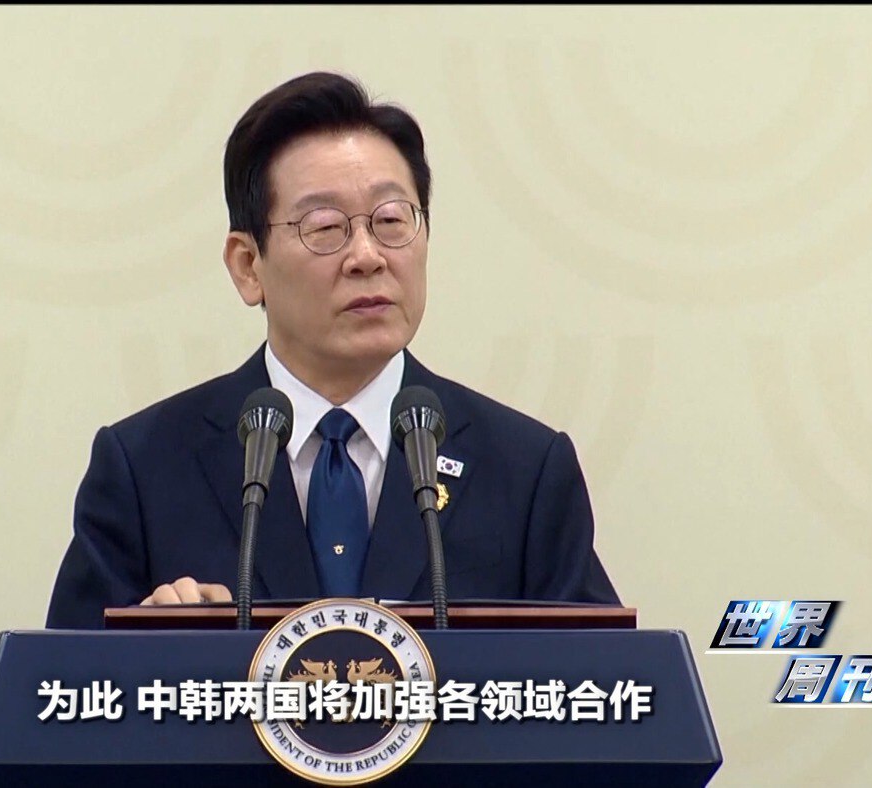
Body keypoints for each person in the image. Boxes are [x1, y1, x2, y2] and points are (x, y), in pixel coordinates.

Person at [45, 72, 619, 629]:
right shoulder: (144, 469)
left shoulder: (526, 470)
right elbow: (61, 684)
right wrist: (147, 654)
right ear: (248, 267)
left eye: (391, 219)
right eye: (325, 227)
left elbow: (602, 681)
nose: (367, 256)